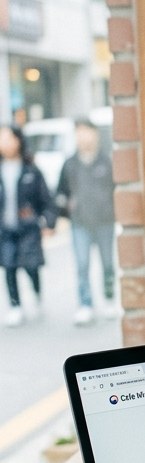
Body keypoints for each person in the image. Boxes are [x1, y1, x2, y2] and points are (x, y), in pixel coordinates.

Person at [56, 119, 118, 325]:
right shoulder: (70, 163)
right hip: (80, 223)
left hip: (105, 222)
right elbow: (60, 193)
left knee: (107, 263)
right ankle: (85, 304)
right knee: (82, 265)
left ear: (95, 134)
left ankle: (109, 300)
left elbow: (116, 189)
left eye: (86, 132)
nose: (83, 136)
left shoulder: (106, 160)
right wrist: (67, 207)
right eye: (78, 132)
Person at [0, 124, 55, 327]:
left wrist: (49, 222)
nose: (4, 143)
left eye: (8, 138)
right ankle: (16, 306)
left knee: (31, 266)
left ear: (18, 140)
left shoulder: (31, 169)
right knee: (9, 267)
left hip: (28, 228)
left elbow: (45, 199)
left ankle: (37, 295)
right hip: (5, 230)